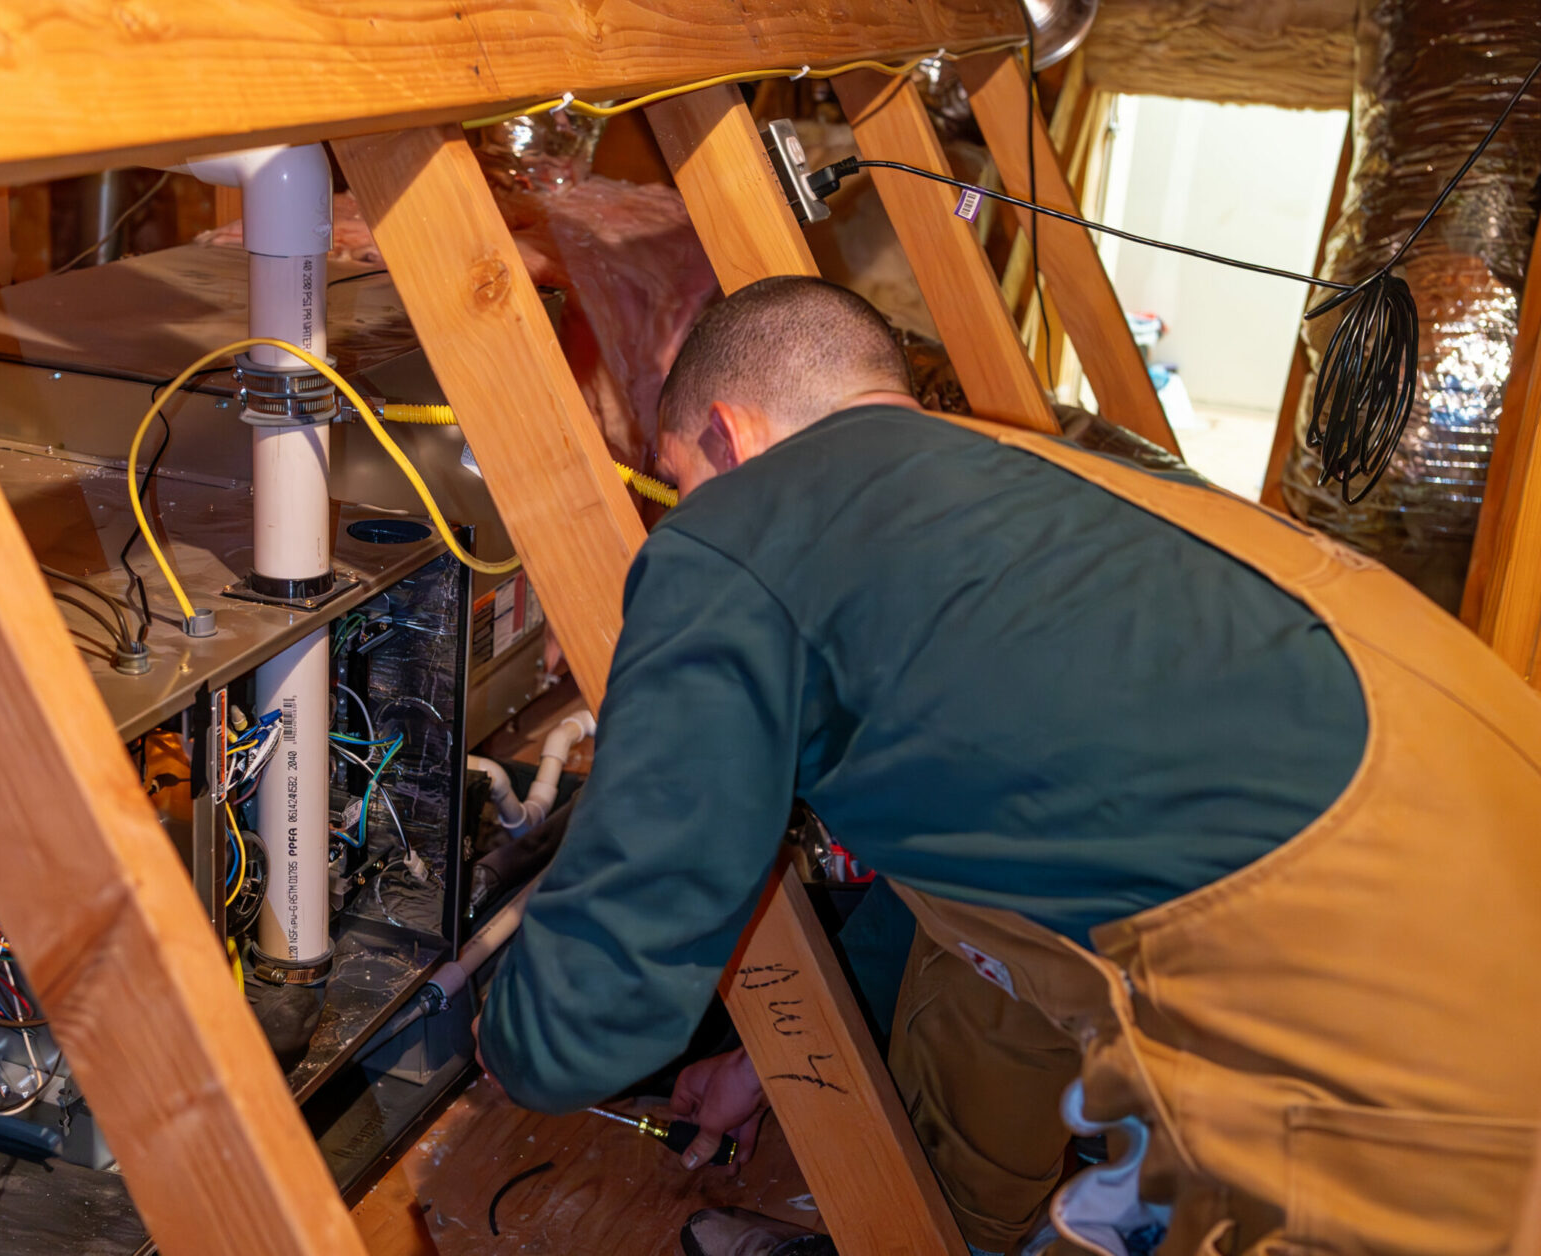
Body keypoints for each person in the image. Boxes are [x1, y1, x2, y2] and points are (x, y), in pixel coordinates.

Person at [475, 276, 1541, 1256]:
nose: (684, 512)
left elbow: (593, 1006)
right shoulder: (1045, 484)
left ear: (727, 434)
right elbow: (981, 864)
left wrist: (508, 1032)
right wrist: (774, 1064)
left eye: (679, 479)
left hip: (1401, 1072)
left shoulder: (746, 529)